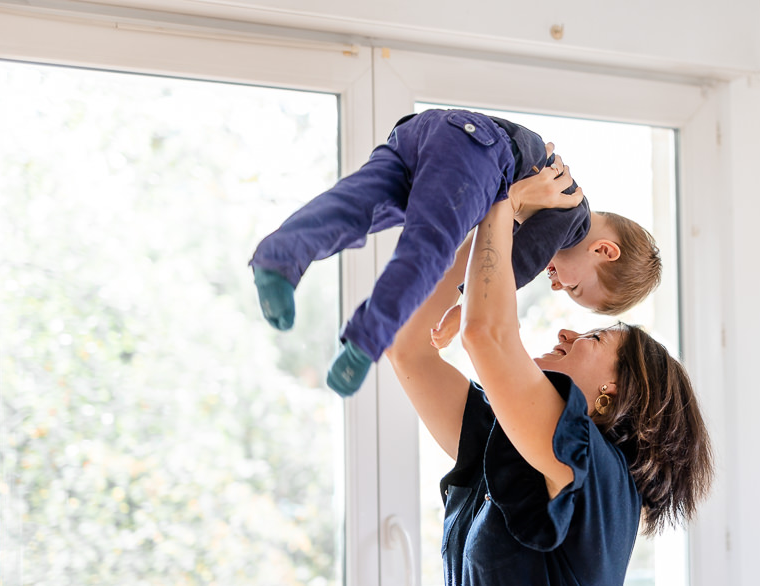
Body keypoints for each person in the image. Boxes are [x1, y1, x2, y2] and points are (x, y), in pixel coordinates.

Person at [385, 168, 713, 586]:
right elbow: (408, 344)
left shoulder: (597, 471)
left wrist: (507, 211)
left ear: (609, 397)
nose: (567, 327)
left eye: (593, 340)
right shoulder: (501, 437)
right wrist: (487, 223)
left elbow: (486, 336)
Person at [248, 108, 662, 396]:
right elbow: (512, 267)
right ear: (604, 251)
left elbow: (497, 240)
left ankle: (280, 258)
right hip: (477, 152)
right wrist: (460, 309)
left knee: (356, 207)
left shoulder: (551, 195)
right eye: (575, 289)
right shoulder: (570, 210)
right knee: (426, 251)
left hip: (425, 133)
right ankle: (364, 341)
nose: (558, 287)